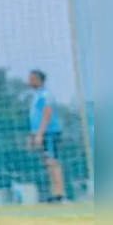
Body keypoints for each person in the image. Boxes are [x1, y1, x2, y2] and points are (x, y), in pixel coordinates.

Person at [27, 69, 66, 203]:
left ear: (39, 80)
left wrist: (40, 133)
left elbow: (47, 113)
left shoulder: (45, 95)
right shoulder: (36, 95)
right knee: (48, 163)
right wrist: (33, 135)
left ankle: (60, 194)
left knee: (53, 161)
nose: (29, 81)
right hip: (42, 133)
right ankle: (55, 193)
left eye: (32, 79)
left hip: (50, 133)